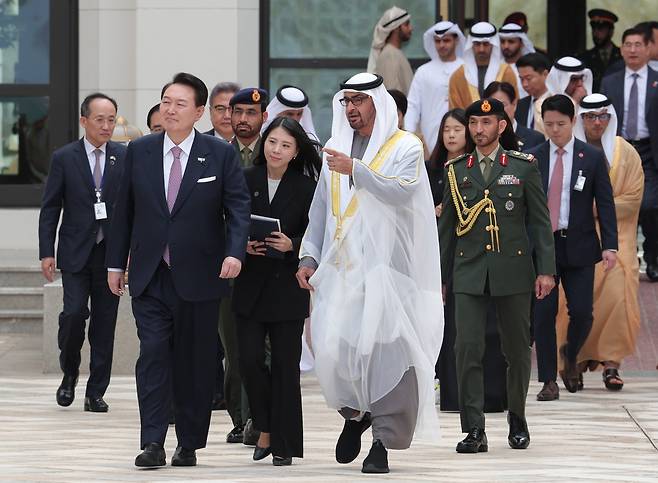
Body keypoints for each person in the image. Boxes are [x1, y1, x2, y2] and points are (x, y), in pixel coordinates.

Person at [296, 73, 443, 474]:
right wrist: (308, 256)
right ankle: (356, 414)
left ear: (378, 103)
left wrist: (355, 169)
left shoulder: (406, 147)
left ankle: (383, 440)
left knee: (387, 354)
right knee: (336, 351)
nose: (351, 108)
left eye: (359, 100)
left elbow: (401, 190)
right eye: (346, 101)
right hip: (341, 272)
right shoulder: (335, 149)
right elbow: (320, 211)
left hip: (390, 272)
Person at [106, 72, 251, 468]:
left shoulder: (219, 155)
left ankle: (188, 442)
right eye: (166, 101)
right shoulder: (140, 151)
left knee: (195, 362)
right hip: (151, 274)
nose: (170, 109)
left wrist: (234, 253)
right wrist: (116, 264)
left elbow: (237, 209)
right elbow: (124, 213)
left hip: (202, 277)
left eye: (180, 103)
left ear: (199, 111)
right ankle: (152, 441)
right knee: (152, 354)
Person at [438, 97, 555, 453]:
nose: (478, 130)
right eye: (473, 123)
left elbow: (539, 221)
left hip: (513, 269)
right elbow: (447, 228)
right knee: (466, 348)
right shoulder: (457, 169)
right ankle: (474, 428)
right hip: (469, 269)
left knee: (517, 350)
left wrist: (546, 270)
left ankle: (517, 417)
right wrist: (441, 277)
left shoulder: (522, 167)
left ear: (501, 126)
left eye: (485, 123)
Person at [233, 117, 321, 467]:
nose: (276, 150)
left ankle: (281, 441)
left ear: (296, 151)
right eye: (272, 142)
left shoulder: (306, 187)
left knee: (286, 366)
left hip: (287, 287)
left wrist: (293, 244)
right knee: (250, 361)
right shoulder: (244, 179)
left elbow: (319, 233)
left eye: (285, 145)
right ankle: (264, 426)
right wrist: (242, 247)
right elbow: (227, 222)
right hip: (250, 285)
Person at [38, 93, 126, 413]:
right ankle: (69, 372)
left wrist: (130, 252)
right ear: (84, 120)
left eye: (111, 119)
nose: (106, 125)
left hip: (111, 255)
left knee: (105, 324)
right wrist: (46, 251)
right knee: (73, 315)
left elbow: (133, 208)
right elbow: (50, 208)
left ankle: (96, 390)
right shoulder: (65, 157)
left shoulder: (123, 156)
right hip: (76, 252)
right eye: (100, 119)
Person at [527, 94, 617, 401]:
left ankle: (571, 354)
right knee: (543, 314)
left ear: (573, 121)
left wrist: (611, 246)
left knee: (582, 312)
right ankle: (548, 380)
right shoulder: (533, 156)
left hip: (579, 244)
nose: (554, 130)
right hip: (544, 247)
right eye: (549, 124)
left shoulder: (590, 157)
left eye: (561, 124)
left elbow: (605, 203)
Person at [554, 93, 643, 391]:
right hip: (577, 237)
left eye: (602, 116)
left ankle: (611, 363)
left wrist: (596, 207)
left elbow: (632, 200)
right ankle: (576, 357)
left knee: (618, 291)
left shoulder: (625, 153)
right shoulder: (569, 151)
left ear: (610, 118)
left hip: (617, 235)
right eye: (591, 117)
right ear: (582, 119)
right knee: (573, 303)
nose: (597, 122)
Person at [601, 27, 658, 281]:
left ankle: (653, 257)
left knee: (648, 205)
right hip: (619, 148)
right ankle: (627, 253)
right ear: (621, 48)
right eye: (628, 45)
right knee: (618, 202)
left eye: (638, 45)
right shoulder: (610, 80)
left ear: (648, 48)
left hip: (649, 149)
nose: (632, 50)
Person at [405, 21, 465, 155]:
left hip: (462, 138)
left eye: (446, 40)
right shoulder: (423, 71)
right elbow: (413, 105)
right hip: (430, 136)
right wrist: (408, 134)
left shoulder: (467, 69)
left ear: (456, 40)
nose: (442, 45)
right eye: (438, 41)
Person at [448, 21, 518, 109]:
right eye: (477, 44)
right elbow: (455, 111)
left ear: (493, 44)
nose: (481, 49)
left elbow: (513, 106)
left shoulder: (506, 72)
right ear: (471, 45)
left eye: (486, 44)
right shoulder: (459, 75)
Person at [484, 81, 544, 151]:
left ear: (514, 104)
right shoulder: (481, 138)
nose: (497, 110)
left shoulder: (535, 139)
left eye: (502, 105)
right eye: (492, 106)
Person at [367, 6, 413, 94]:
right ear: (395, 28)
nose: (410, 28)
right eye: (406, 24)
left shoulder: (395, 52)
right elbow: (394, 96)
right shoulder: (389, 55)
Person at [578, 9, 622, 93]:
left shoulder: (622, 56)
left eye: (601, 29)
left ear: (611, 31)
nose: (596, 33)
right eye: (594, 29)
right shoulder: (585, 57)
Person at [230, 87, 269, 167]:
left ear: (264, 117)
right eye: (238, 112)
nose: (243, 119)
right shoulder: (220, 151)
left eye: (251, 113)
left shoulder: (270, 152)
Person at [515, 53, 552, 136]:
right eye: (521, 79)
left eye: (528, 78)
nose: (524, 84)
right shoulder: (521, 104)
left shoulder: (556, 101)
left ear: (545, 74)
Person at [498, 23, 535, 98]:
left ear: (521, 43)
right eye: (502, 42)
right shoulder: (495, 67)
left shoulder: (531, 68)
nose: (506, 46)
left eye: (511, 42)